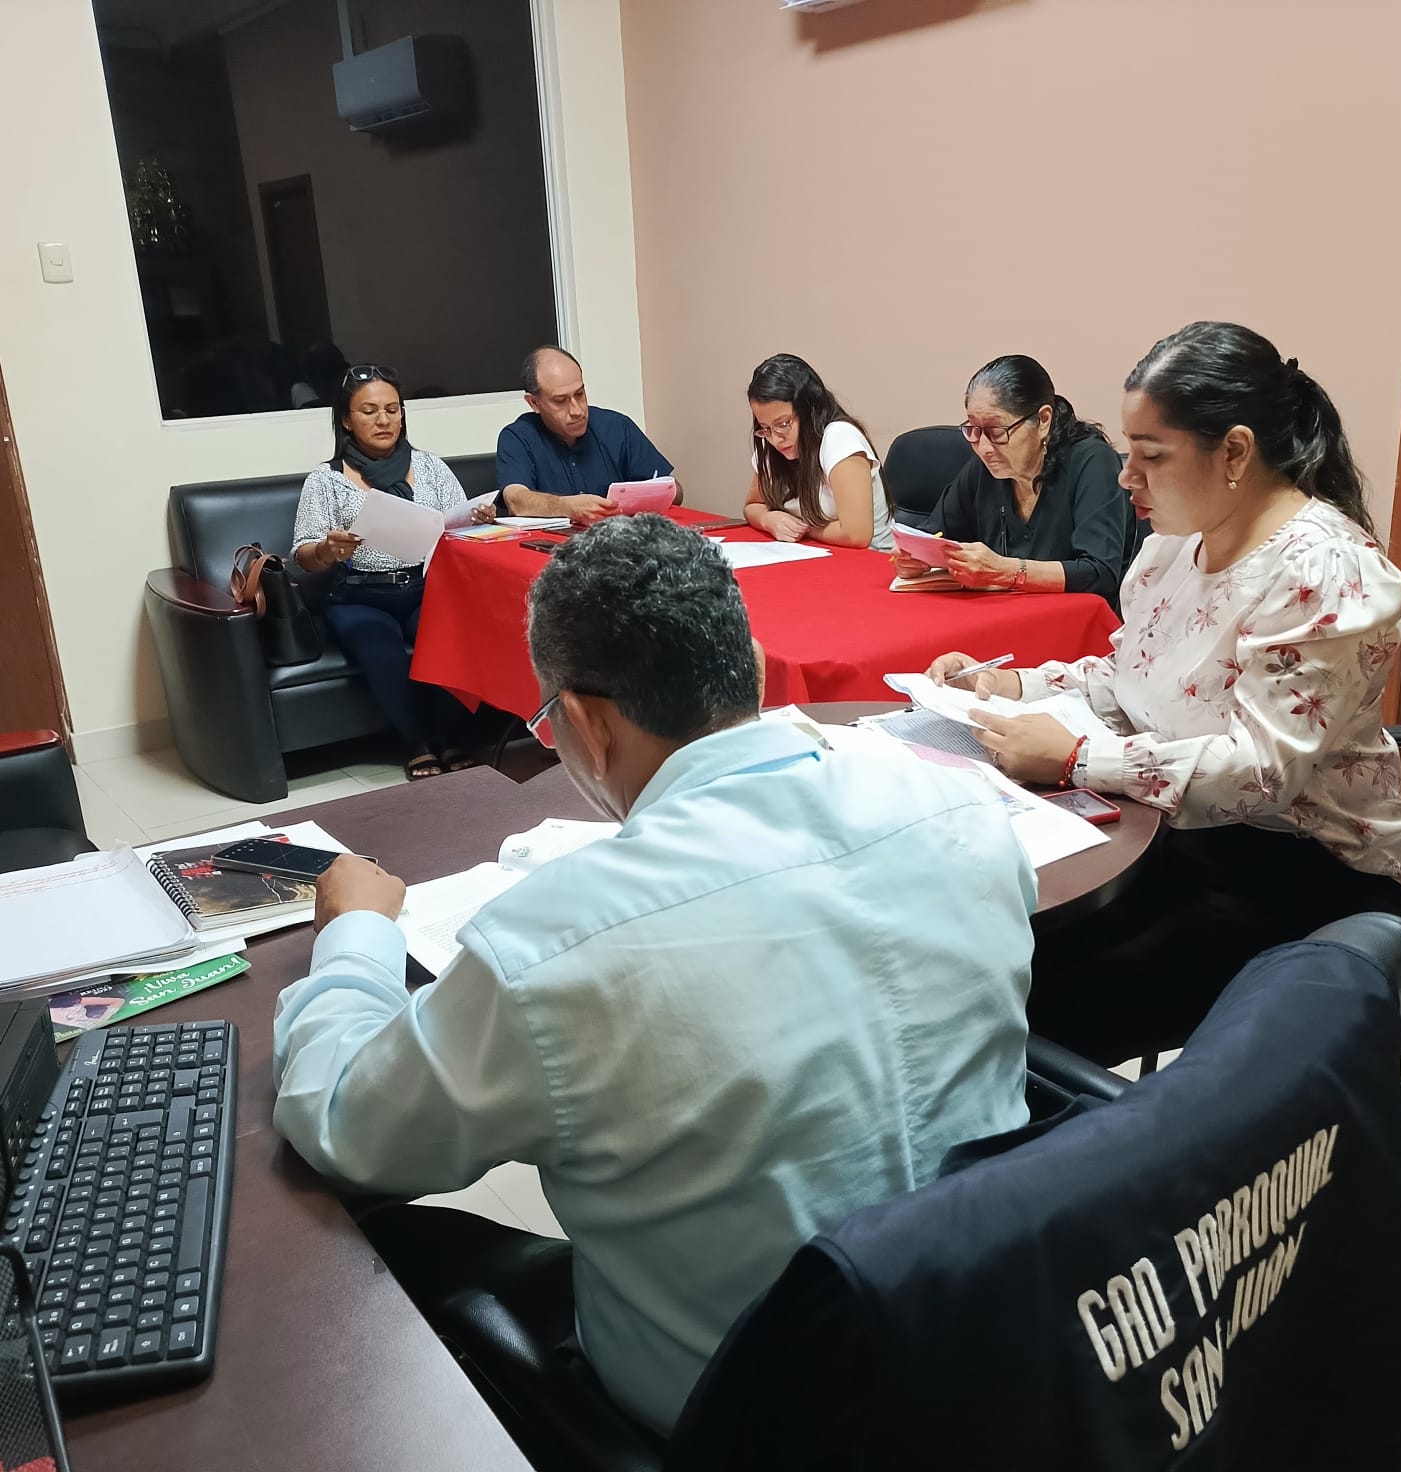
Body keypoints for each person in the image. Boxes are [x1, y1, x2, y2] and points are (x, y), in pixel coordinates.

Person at [273, 515, 1036, 1436]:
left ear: (587, 725)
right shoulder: (960, 808)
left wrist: (356, 935)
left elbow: (349, 1129)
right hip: (992, 1356)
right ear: (754, 668)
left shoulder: (555, 942)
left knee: (397, 1241)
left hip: (749, 1421)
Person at [927, 321, 1401, 1064]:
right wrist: (1007, 682)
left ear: (1236, 453)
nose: (1128, 478)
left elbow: (1262, 773)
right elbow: (1128, 680)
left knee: (1031, 1007)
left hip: (1301, 873)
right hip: (1173, 833)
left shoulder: (1324, 571)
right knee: (987, 958)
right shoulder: (1173, 550)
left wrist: (1077, 760)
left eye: (1151, 455)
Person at [292, 364, 473, 780]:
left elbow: (460, 526)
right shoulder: (326, 480)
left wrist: (474, 518)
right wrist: (327, 550)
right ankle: (415, 743)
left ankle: (450, 737)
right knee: (380, 649)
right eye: (369, 411)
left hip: (425, 586)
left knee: (452, 632)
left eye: (392, 410)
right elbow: (303, 555)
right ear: (346, 420)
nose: (384, 420)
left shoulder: (430, 467)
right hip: (359, 596)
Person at [894, 355, 1133, 608]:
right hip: (1004, 613)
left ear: (1043, 420)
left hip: (1077, 619)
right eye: (973, 429)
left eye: (997, 431)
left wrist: (1005, 571)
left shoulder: (1091, 461)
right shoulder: (986, 467)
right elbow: (934, 534)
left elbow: (1100, 572)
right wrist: (916, 556)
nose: (984, 447)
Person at [488, 346, 682, 524]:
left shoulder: (617, 427)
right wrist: (568, 507)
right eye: (560, 401)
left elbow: (676, 492)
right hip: (558, 547)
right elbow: (516, 500)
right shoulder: (518, 437)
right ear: (534, 403)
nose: (577, 410)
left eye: (580, 394)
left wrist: (651, 497)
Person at [743, 354, 896, 551]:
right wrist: (768, 519)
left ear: (809, 410)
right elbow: (753, 505)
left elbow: (856, 535)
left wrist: (801, 528)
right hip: (810, 552)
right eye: (765, 428)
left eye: (783, 424)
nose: (774, 438)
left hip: (870, 557)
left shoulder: (839, 437)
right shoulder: (771, 441)